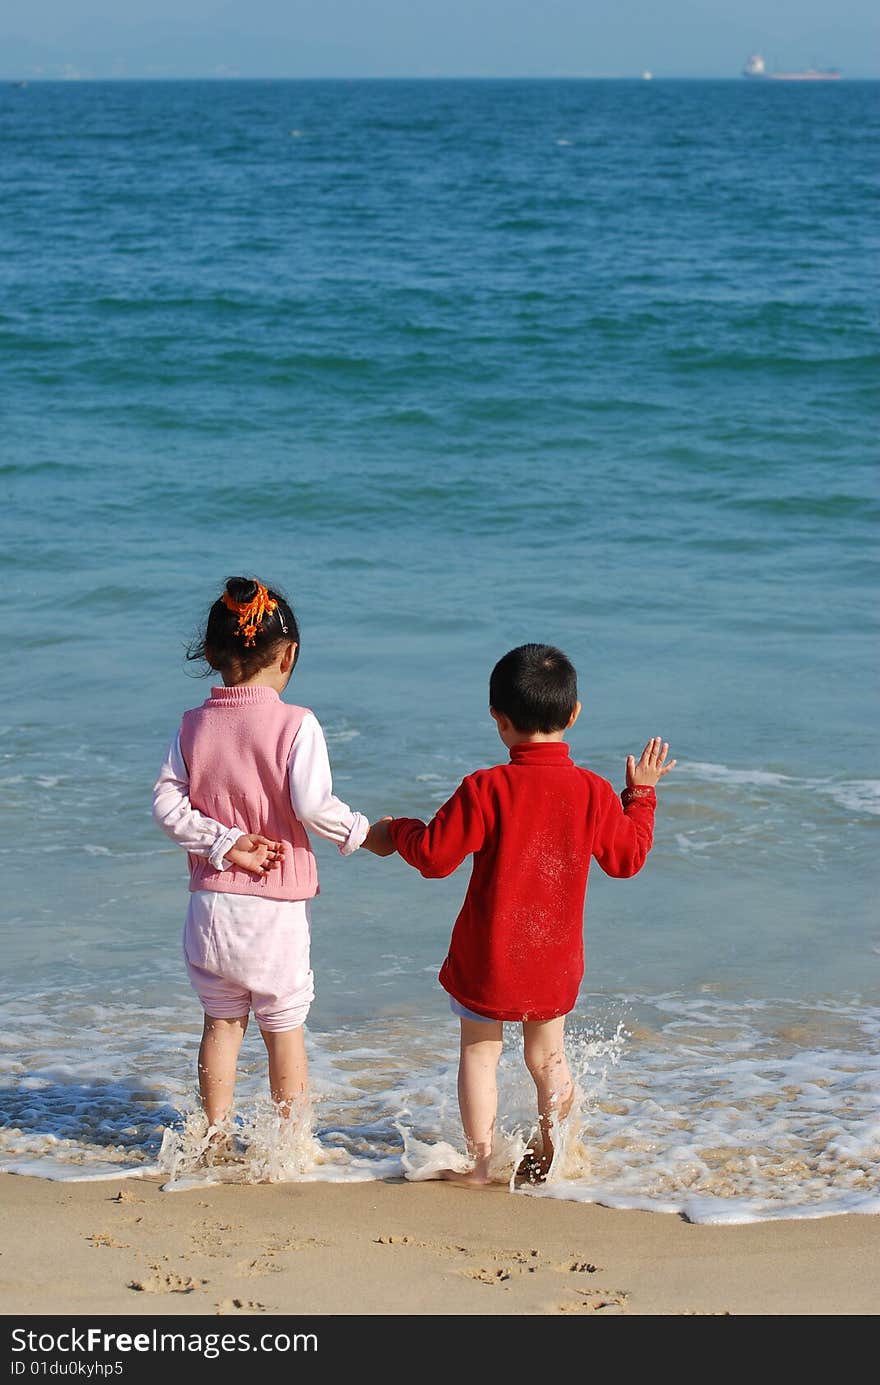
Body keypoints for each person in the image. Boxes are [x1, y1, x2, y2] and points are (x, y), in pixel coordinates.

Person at [370, 643, 675, 1187]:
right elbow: (627, 860)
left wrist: (398, 831)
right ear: (574, 714)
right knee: (548, 1059)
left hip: (487, 958)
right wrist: (642, 796)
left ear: (499, 720)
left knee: (480, 1053)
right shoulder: (594, 791)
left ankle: (483, 1164)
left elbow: (435, 858)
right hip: (553, 958)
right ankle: (558, 1157)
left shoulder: (486, 787)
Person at [152, 576, 385, 1143]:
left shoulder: (192, 724)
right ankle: (289, 1144)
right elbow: (311, 804)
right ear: (289, 655)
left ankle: (213, 1136)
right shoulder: (295, 723)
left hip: (210, 906)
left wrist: (222, 842)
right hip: (273, 910)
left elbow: (165, 802)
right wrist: (361, 833)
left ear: (210, 654)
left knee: (221, 1026)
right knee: (284, 1028)